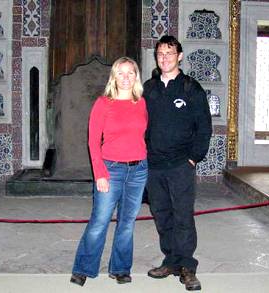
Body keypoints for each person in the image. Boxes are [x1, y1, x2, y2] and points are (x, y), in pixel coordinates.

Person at [70, 57, 148, 286]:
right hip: (111, 169)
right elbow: (93, 142)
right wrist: (100, 174)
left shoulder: (141, 103)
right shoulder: (104, 103)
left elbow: (142, 136)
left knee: (127, 223)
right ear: (114, 77)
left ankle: (121, 269)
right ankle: (83, 268)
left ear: (136, 76)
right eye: (120, 73)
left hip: (139, 170)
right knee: (100, 221)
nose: (125, 78)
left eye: (130, 73)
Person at [143, 35, 212, 291]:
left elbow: (204, 127)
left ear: (180, 56)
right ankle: (170, 260)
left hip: (181, 165)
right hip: (154, 166)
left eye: (170, 53)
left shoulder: (190, 88)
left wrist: (194, 158)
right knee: (161, 215)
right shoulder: (148, 89)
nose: (165, 58)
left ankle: (187, 267)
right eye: (161, 53)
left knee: (183, 216)